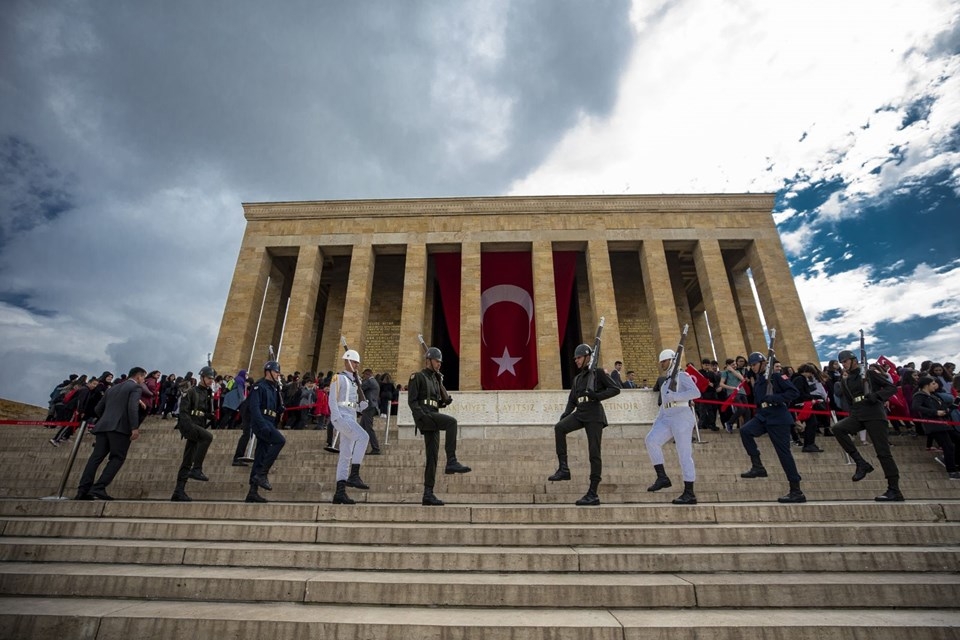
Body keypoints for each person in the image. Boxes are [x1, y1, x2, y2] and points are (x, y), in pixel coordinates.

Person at [546, 343, 621, 506]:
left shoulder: (598, 373)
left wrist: (597, 395)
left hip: (594, 414)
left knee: (594, 452)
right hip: (580, 412)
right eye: (575, 359)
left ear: (587, 357)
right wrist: (566, 414)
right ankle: (564, 469)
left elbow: (615, 389)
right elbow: (572, 400)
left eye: (579, 358)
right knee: (559, 428)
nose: (576, 361)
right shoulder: (578, 378)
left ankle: (593, 492)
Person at [832, 349, 903, 501]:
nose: (843, 365)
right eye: (841, 362)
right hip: (858, 414)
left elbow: (891, 388)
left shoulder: (869, 374)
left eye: (845, 361)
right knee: (838, 428)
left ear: (853, 360)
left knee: (883, 452)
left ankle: (894, 489)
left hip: (874, 414)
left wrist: (876, 395)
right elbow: (850, 400)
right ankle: (861, 463)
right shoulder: (845, 380)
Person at [737, 352, 806, 503]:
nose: (753, 367)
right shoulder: (759, 380)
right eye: (751, 365)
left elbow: (793, 392)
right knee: (745, 431)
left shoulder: (776, 377)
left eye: (754, 364)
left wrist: (775, 398)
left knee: (784, 454)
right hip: (763, 416)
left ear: (763, 363)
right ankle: (758, 466)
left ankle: (796, 490)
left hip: (778, 417)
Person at [408, 346, 471, 506]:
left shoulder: (436, 380)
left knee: (432, 457)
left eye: (440, 362)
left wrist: (444, 402)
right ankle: (451, 460)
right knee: (451, 422)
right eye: (437, 361)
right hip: (425, 415)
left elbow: (436, 402)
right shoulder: (418, 377)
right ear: (428, 361)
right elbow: (412, 401)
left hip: (433, 415)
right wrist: (421, 416)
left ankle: (428, 494)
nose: (439, 364)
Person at [75, 367, 146, 500]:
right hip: (120, 428)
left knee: (95, 458)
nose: (143, 381)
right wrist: (134, 427)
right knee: (117, 457)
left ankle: (83, 489)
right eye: (143, 378)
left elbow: (98, 409)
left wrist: (107, 418)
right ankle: (99, 487)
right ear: (138, 376)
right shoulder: (135, 388)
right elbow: (132, 407)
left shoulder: (112, 388)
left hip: (103, 426)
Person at [644, 348, 701, 505]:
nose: (662, 364)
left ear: (672, 361)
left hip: (682, 416)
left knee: (684, 454)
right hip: (667, 417)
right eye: (661, 362)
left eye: (664, 361)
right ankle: (662, 477)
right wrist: (657, 421)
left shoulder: (682, 376)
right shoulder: (665, 383)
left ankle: (689, 492)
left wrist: (676, 396)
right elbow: (664, 406)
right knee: (651, 440)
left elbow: (696, 392)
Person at [329, 350, 372, 504]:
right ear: (347, 362)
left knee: (345, 455)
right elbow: (332, 399)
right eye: (354, 362)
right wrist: (336, 417)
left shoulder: (355, 381)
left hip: (351, 416)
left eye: (357, 363)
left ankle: (339, 492)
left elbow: (352, 404)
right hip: (341, 416)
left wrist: (361, 406)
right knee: (363, 437)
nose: (357, 365)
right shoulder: (338, 378)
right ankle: (354, 475)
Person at [171, 365, 216, 501]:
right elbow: (184, 411)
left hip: (200, 424)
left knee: (188, 459)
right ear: (202, 377)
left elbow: (203, 410)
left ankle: (178, 491)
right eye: (209, 378)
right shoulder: (191, 391)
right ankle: (197, 469)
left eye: (212, 379)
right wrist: (189, 426)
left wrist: (209, 415)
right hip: (190, 425)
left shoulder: (207, 393)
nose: (211, 381)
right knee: (208, 437)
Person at [243, 360, 286, 503]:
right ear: (268, 372)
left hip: (270, 421)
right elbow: (254, 408)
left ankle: (252, 491)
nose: (278, 374)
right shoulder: (259, 386)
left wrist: (281, 407)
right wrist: (262, 425)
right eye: (276, 372)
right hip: (262, 422)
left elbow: (275, 407)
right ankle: (262, 474)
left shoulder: (275, 389)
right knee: (280, 441)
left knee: (260, 455)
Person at [911, 376, 960, 480]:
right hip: (934, 425)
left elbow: (945, 410)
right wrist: (934, 412)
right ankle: (952, 471)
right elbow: (915, 407)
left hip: (945, 424)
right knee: (948, 446)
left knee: (957, 440)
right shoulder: (920, 395)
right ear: (926, 385)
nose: (935, 385)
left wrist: (955, 403)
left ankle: (952, 462)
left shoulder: (934, 396)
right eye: (933, 383)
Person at [360, 368, 381, 454]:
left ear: (367, 374)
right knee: (361, 428)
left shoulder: (369, 381)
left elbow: (360, 388)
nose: (363, 377)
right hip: (370, 407)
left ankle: (376, 448)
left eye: (364, 375)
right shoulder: (374, 381)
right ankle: (360, 448)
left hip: (369, 407)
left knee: (368, 428)